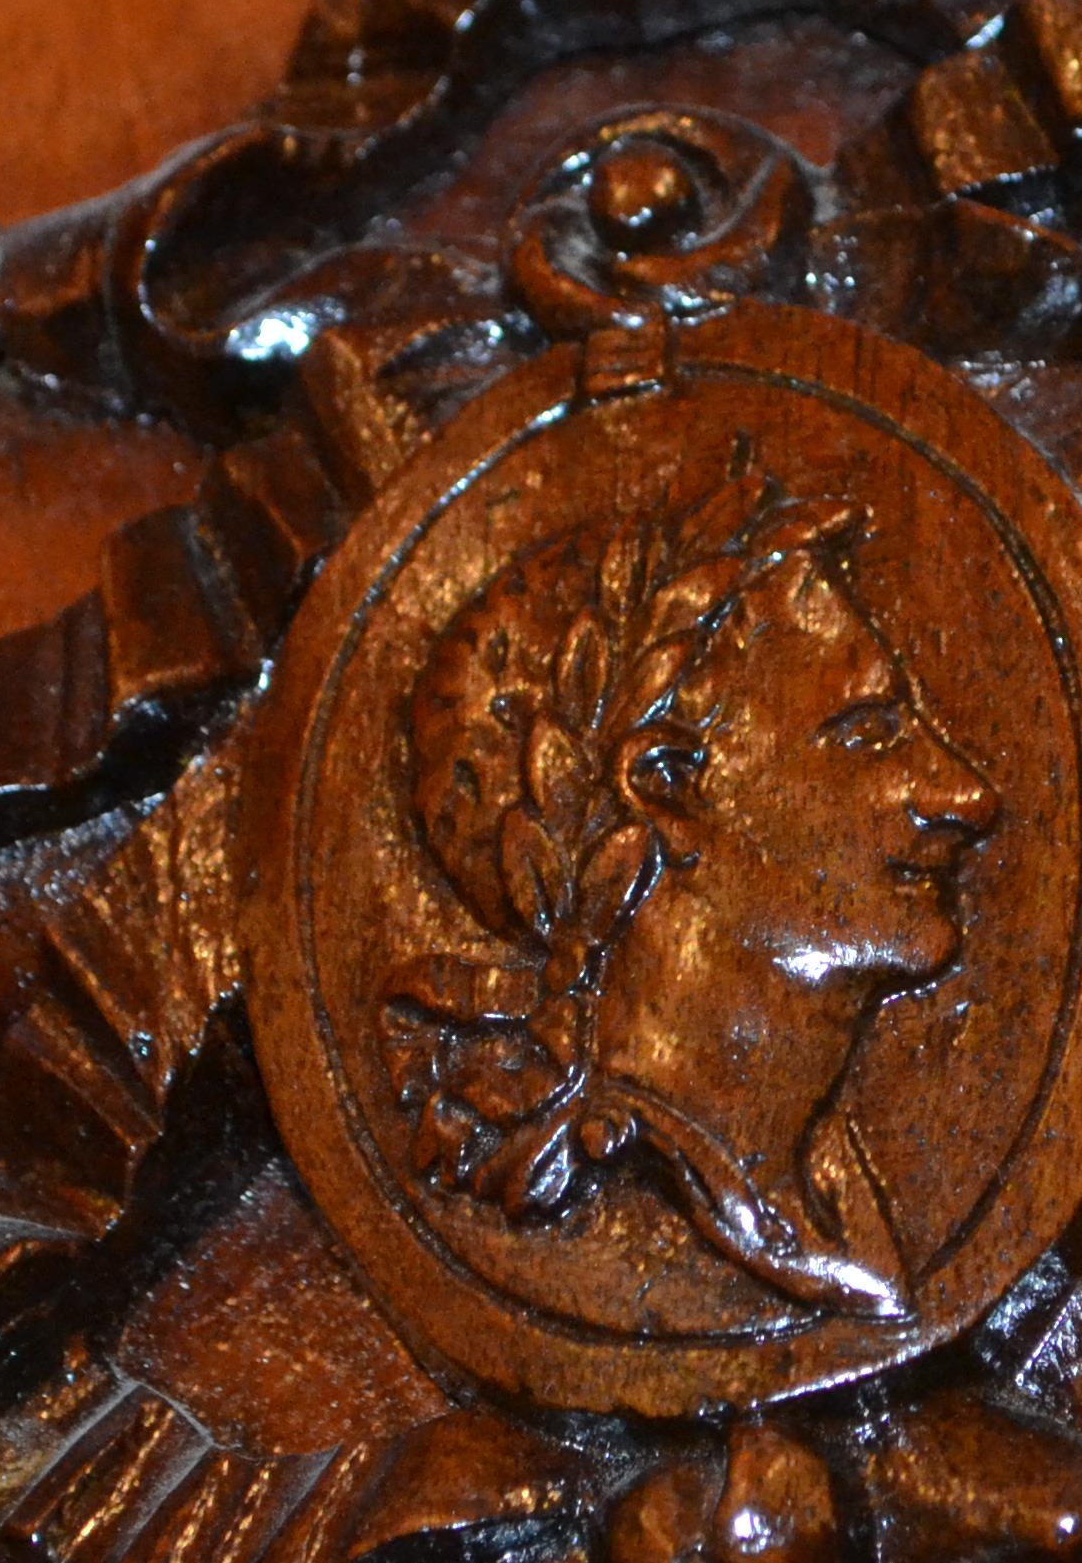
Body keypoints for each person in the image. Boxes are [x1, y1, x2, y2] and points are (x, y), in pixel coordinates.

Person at [383, 439, 997, 1320]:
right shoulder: (624, 1165)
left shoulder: (828, 1182)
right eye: (869, 733)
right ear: (667, 788)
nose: (967, 795)